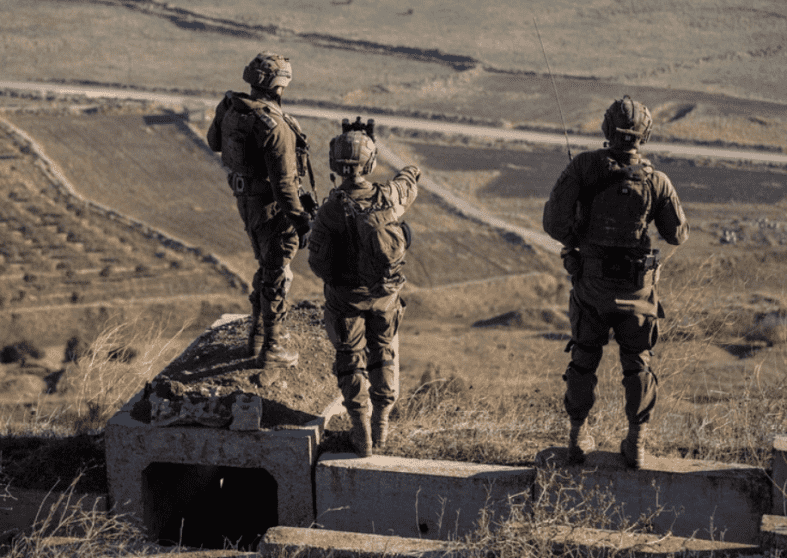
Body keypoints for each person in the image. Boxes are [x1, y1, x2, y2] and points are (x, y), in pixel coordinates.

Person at [542, 96, 689, 469]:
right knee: (638, 364)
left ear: (607, 128)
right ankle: (636, 442)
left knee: (583, 360)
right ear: (645, 135)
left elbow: (554, 223)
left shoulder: (585, 166)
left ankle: (578, 436)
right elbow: (677, 234)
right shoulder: (657, 181)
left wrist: (577, 241)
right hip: (638, 291)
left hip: (591, 286)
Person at [308, 118, 419, 457]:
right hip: (384, 296)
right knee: (383, 350)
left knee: (350, 359)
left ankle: (361, 434)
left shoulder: (329, 211)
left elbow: (319, 264)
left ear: (334, 165)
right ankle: (382, 424)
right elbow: (408, 182)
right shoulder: (387, 197)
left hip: (346, 300)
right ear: (370, 164)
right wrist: (407, 169)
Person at [207, 52, 313, 370]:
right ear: (280, 86)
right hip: (272, 208)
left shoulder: (233, 109)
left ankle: (257, 336)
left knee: (267, 267)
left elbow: (214, 143)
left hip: (247, 201)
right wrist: (302, 221)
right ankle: (272, 348)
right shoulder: (275, 126)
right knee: (277, 274)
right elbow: (285, 185)